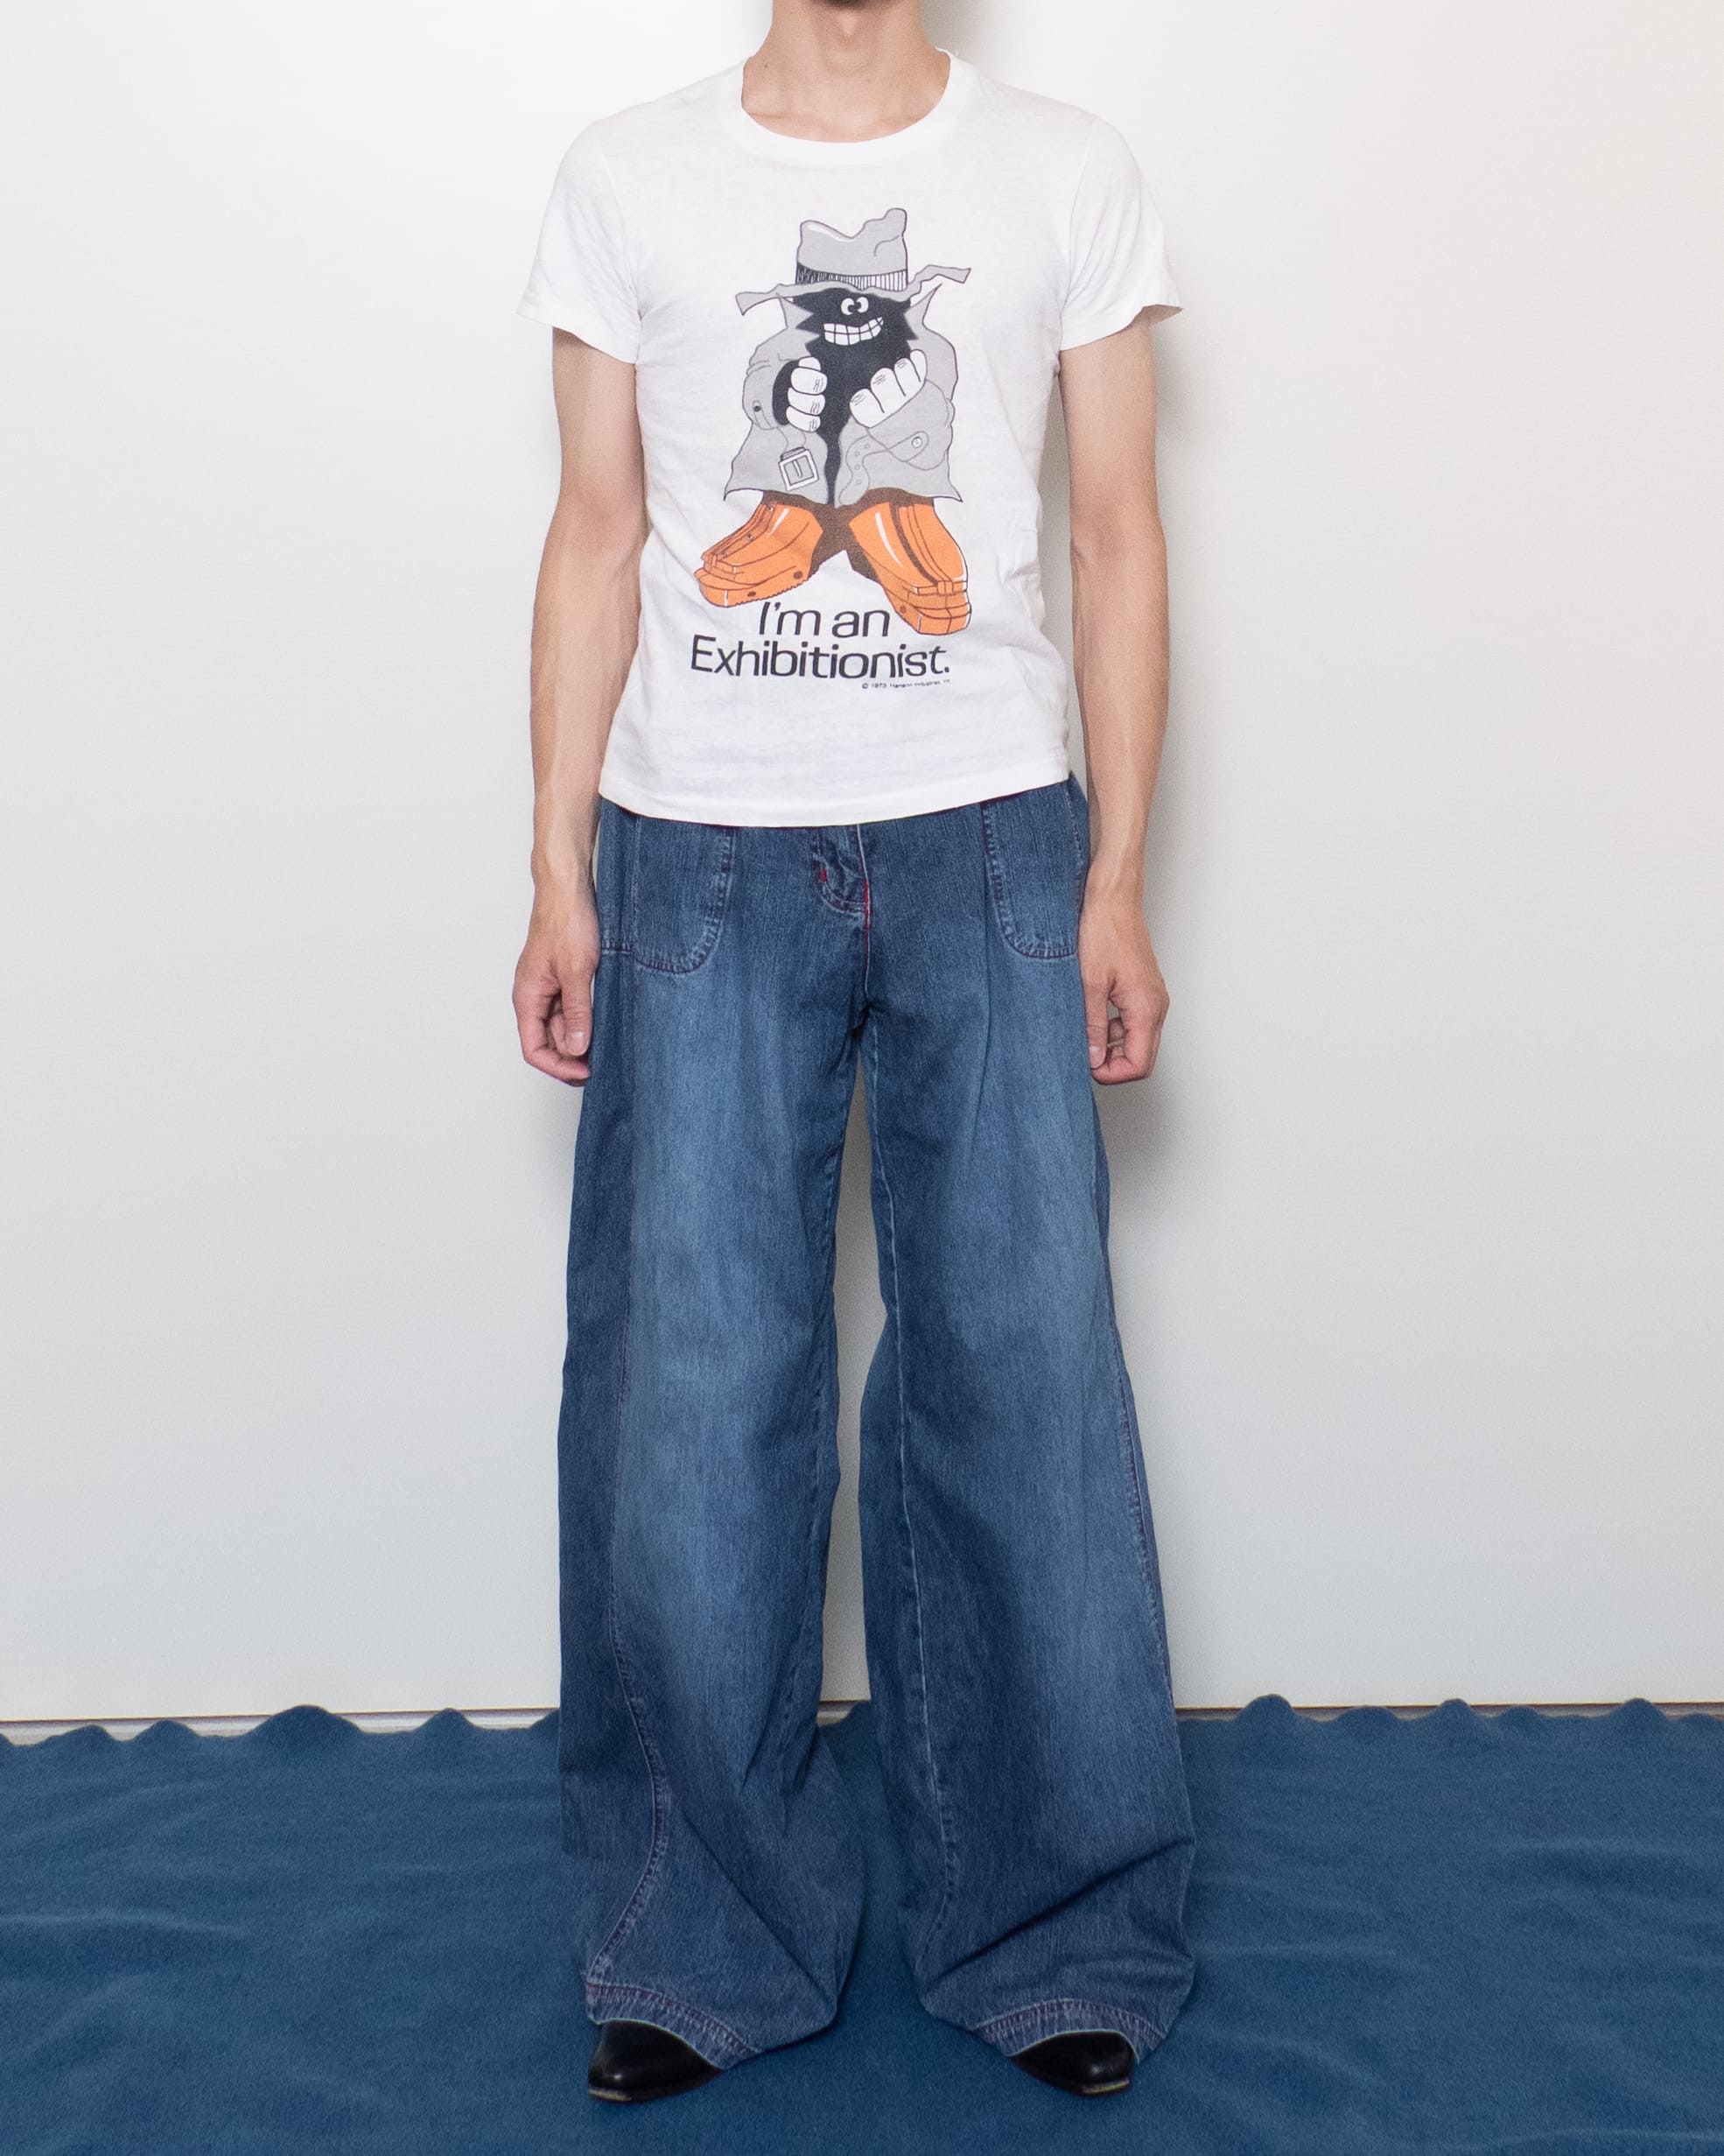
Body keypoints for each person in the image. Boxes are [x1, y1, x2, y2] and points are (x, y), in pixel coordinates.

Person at [515, 0, 1195, 2106]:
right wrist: (554, 867)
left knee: (1022, 1372)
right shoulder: (625, 173)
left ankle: (1054, 1920)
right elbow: (594, 531)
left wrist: (1115, 876)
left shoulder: (1065, 170)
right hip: (696, 847)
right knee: (689, 1395)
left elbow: (1116, 534)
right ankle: (692, 1933)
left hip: (991, 834)